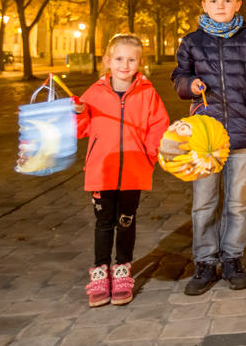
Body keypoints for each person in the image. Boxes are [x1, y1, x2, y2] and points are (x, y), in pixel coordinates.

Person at [171, 0, 246, 294]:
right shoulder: (191, 42)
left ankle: (232, 258)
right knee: (204, 202)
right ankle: (204, 261)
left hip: (242, 135)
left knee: (238, 203)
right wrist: (190, 86)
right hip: (205, 137)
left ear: (238, 4)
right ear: (203, 4)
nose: (220, 6)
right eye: (214, 0)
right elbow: (179, 77)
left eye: (227, 0)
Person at [75, 33, 170, 307]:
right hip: (101, 171)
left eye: (131, 60)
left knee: (126, 221)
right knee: (104, 223)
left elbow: (158, 126)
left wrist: (148, 156)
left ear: (140, 62)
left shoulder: (147, 93)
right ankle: (100, 270)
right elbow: (81, 130)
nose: (124, 65)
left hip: (133, 171)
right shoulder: (94, 93)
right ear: (108, 61)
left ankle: (122, 268)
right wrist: (80, 112)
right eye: (119, 59)